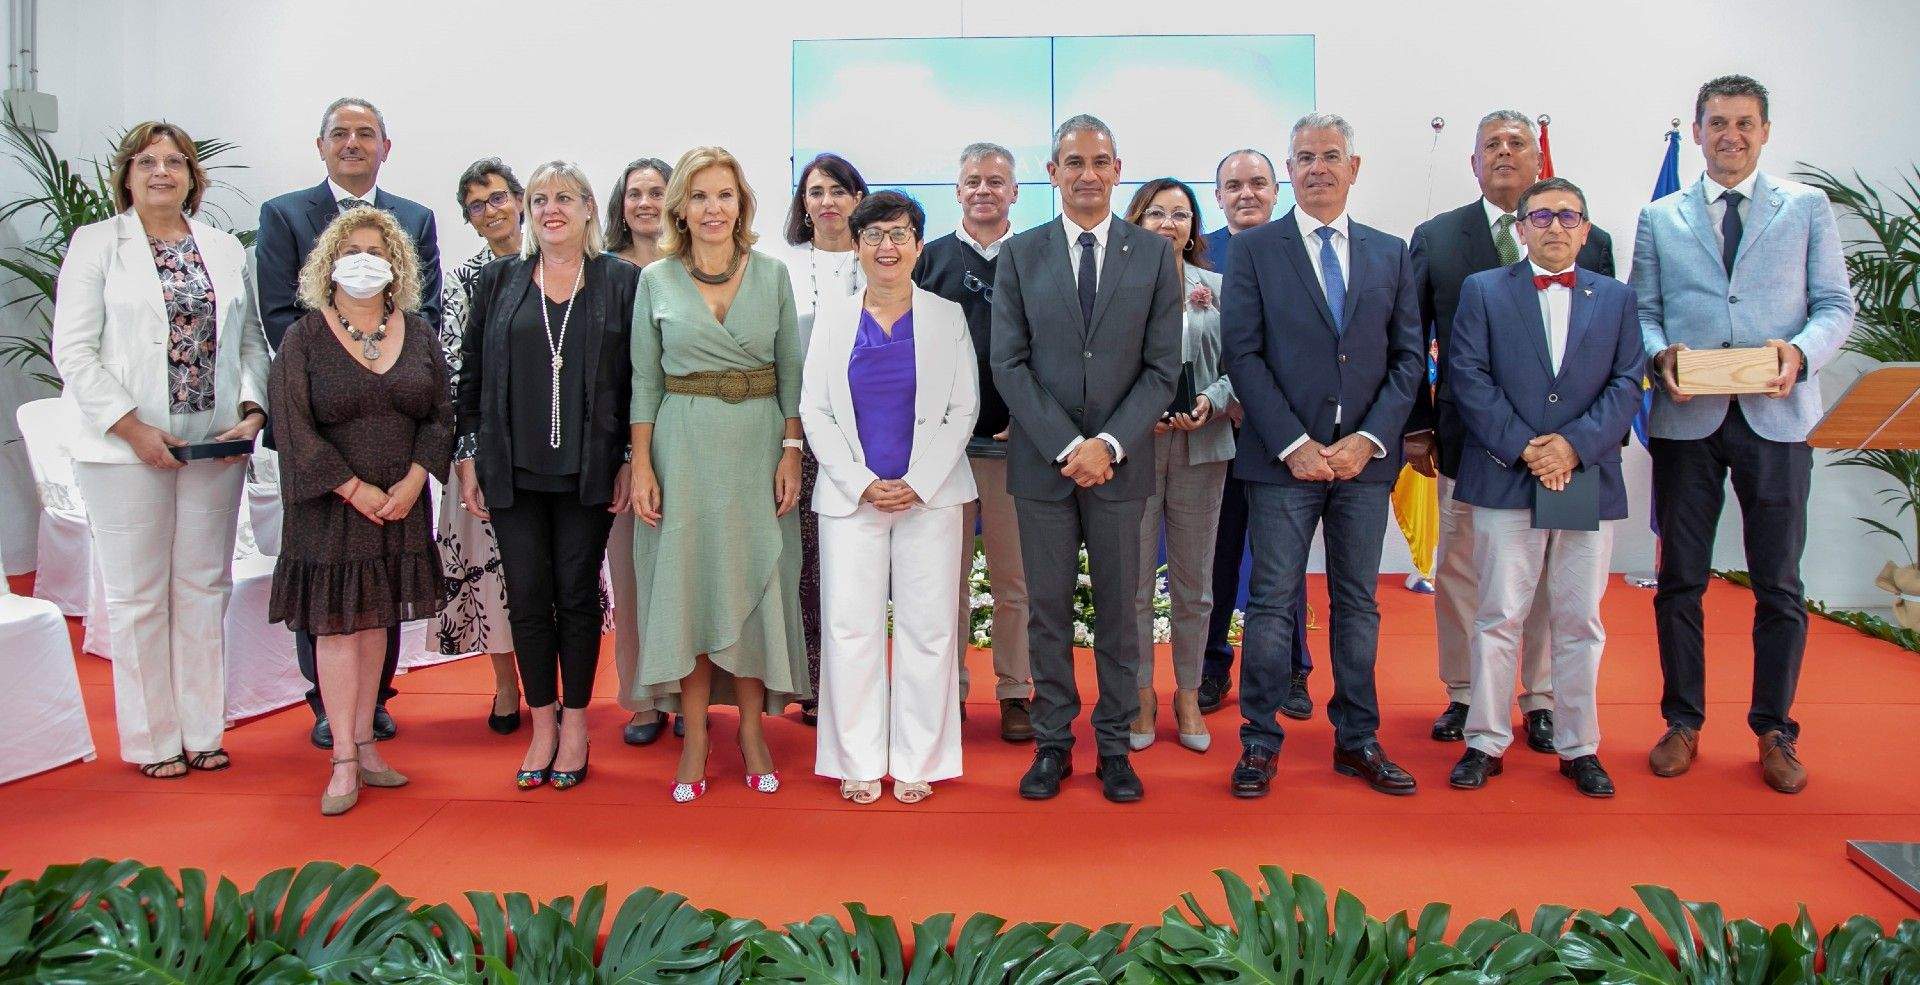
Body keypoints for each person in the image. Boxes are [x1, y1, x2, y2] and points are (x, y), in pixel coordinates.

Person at [1634, 75, 1853, 794]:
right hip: (1688, 419)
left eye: (1744, 123)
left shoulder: (1807, 208)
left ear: (1765, 131)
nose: (1730, 134)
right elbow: (1645, 310)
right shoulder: (1661, 215)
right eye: (1717, 122)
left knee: (1779, 583)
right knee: (1680, 581)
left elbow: (1833, 306)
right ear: (1696, 132)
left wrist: (1799, 353)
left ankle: (1774, 729)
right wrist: (1660, 355)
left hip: (1777, 417)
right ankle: (1683, 720)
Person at [51, 121, 269, 779]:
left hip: (213, 446)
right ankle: (153, 739)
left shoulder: (225, 248)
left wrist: (253, 408)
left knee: (206, 585)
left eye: (175, 161)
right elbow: (75, 350)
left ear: (193, 178)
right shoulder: (97, 245)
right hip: (125, 449)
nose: (162, 172)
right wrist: (131, 426)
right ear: (127, 175)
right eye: (148, 161)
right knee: (140, 594)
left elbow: (251, 341)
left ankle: (202, 730)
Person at [1220, 113, 1425, 798]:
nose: (1317, 168)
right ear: (1290, 169)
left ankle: (1357, 738)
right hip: (1282, 463)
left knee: (1357, 604)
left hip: (1364, 464)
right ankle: (1258, 741)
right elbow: (1241, 354)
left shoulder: (1390, 252)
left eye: (1330, 155)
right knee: (1274, 603)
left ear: (1353, 167)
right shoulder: (1252, 252)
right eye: (1304, 157)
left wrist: (1367, 440)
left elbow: (1407, 358)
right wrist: (1296, 444)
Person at [1407, 110, 1617, 753]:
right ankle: (1467, 694)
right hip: (1471, 443)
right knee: (1465, 571)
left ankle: (1543, 698)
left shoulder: (1593, 240)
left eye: (1516, 143)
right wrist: (1417, 426)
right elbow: (1412, 339)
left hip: (1568, 456)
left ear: (1539, 160)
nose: (1503, 153)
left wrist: (1574, 444)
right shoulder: (1438, 237)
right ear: (1473, 163)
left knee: (1559, 579)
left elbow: (1606, 348)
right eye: (1490, 145)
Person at [991, 114, 1182, 803]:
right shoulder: (1020, 254)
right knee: (1046, 608)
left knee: (1120, 612)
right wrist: (1071, 446)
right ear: (1052, 173)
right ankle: (1051, 744)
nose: (1087, 174)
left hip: (1122, 465)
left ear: (1117, 167)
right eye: (1073, 162)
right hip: (1045, 466)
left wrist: (1109, 444)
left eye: (1099, 161)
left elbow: (1163, 369)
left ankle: (1113, 747)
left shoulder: (1155, 255)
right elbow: (1008, 364)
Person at [1443, 177, 1644, 798]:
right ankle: (1485, 740)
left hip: (1581, 475)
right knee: (1499, 612)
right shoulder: (1483, 291)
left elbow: (1626, 382)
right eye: (1542, 217)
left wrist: (1572, 448)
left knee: (1577, 618)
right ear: (1522, 228)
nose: (1555, 226)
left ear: (1585, 229)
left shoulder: (1615, 298)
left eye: (1568, 216)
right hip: (1508, 473)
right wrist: (1527, 447)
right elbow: (1467, 374)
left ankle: (1579, 745)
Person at [256, 97, 443, 750]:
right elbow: (278, 314)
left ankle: (374, 702)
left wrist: (386, 365)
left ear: (386, 147)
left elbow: (432, 318)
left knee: (381, 583)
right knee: (330, 582)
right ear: (321, 145)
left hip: (395, 434)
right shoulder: (283, 215)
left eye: (367, 133)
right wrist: (348, 358)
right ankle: (327, 706)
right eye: (341, 133)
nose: (354, 143)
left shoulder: (415, 219)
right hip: (324, 425)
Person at [629, 146, 808, 803]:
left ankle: (755, 732)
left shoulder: (772, 275)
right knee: (692, 589)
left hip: (758, 446)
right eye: (700, 196)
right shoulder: (655, 281)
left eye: (724, 195)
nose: (712, 208)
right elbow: (643, 381)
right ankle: (698, 734)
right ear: (681, 205)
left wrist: (791, 448)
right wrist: (643, 465)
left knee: (757, 587)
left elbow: (792, 371)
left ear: (742, 204)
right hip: (684, 448)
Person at [455, 161, 638, 792]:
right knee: (528, 599)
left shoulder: (622, 281)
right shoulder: (500, 281)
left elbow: (641, 379)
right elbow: (471, 379)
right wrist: (470, 457)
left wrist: (628, 460)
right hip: (513, 469)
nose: (551, 208)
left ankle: (579, 722)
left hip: (589, 471)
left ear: (589, 207)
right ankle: (542, 722)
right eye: (539, 199)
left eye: (564, 197)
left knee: (578, 596)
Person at [268, 206, 453, 815]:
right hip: (332, 508)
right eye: (351, 252)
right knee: (338, 630)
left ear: (397, 263)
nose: (364, 261)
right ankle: (342, 758)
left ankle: (369, 743)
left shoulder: (419, 332)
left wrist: (417, 477)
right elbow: (293, 429)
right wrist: (352, 488)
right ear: (328, 263)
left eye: (377, 251)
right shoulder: (303, 337)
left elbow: (440, 415)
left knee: (377, 625)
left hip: (401, 501)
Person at [803, 191, 979, 804]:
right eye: (874, 235)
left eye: (899, 234)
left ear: (918, 246)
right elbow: (814, 409)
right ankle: (855, 759)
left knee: (929, 630)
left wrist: (919, 481)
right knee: (850, 629)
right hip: (852, 501)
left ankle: (918, 760)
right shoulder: (831, 319)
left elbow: (964, 409)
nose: (887, 246)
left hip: (929, 497)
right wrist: (859, 481)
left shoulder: (946, 317)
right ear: (856, 246)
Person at [910, 141, 1034, 742]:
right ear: (956, 192)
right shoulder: (927, 261)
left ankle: (1016, 692)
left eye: (996, 181)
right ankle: (948, 694)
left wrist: (1036, 418)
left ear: (1016, 192)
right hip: (945, 454)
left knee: (1015, 582)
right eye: (972, 181)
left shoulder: (1038, 258)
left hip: (1017, 451)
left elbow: (1059, 350)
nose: (984, 190)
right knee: (945, 581)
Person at [1196, 148, 1314, 722]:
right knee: (1217, 557)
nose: (1246, 194)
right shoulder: (1201, 253)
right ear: (1218, 196)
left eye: (1258, 183)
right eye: (1233, 185)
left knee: (1281, 562)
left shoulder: (1302, 249)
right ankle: (1212, 667)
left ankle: (1292, 669)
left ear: (1277, 189)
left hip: (1283, 435)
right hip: (1219, 432)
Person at [1121, 178, 1234, 754]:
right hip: (1134, 449)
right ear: (1137, 222)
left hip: (1202, 445)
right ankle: (1140, 692)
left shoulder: (1217, 288)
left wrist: (1211, 400)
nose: (1169, 224)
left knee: (1194, 583)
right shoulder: (1114, 288)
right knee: (1134, 582)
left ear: (1194, 228)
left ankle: (1187, 692)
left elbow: (1244, 362)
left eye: (1181, 214)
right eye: (1157, 214)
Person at [436, 158, 525, 735]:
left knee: (548, 575)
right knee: (490, 574)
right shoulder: (465, 281)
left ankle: (558, 688)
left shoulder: (560, 265)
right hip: (484, 449)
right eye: (477, 205)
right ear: (468, 220)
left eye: (498, 198)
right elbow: (451, 368)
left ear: (520, 199)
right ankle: (505, 688)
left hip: (550, 446)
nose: (490, 210)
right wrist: (469, 453)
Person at [783, 153, 869, 725]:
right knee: (808, 561)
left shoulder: (883, 259)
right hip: (801, 435)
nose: (828, 202)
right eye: (816, 192)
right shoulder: (780, 266)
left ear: (858, 199)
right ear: (803, 204)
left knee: (862, 560)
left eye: (838, 190)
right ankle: (812, 683)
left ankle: (863, 681)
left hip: (870, 435)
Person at [603, 156, 683, 747]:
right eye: (635, 193)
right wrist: (627, 456)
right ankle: (641, 700)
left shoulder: (693, 270)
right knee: (631, 579)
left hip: (685, 444)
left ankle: (687, 694)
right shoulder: (601, 273)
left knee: (681, 578)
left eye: (658, 192)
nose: (646, 203)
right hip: (619, 451)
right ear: (620, 204)